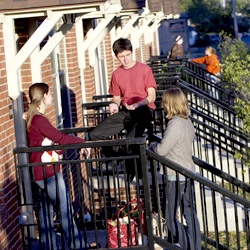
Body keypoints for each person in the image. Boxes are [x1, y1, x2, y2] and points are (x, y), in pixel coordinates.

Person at [26, 82, 90, 250]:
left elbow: (53, 142)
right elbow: (59, 138)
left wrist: (60, 147)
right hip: (48, 173)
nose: (51, 97)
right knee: (65, 211)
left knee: (46, 213)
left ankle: (50, 247)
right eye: (49, 94)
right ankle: (77, 246)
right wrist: (82, 141)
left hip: (41, 172)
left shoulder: (35, 119)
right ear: (44, 96)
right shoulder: (39, 119)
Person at [89, 38, 157, 180]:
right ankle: (125, 159)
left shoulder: (145, 69)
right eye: (121, 57)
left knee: (132, 139)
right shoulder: (116, 74)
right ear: (116, 57)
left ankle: (136, 174)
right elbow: (116, 97)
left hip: (143, 109)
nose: (125, 60)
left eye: (127, 55)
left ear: (132, 52)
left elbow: (151, 96)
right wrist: (114, 104)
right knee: (95, 134)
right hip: (126, 111)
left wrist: (138, 104)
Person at [149, 88, 201, 250]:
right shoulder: (186, 120)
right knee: (189, 214)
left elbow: (162, 150)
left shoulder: (175, 123)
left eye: (163, 101)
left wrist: (152, 145)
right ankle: (195, 246)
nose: (161, 105)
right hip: (187, 172)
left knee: (170, 216)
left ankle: (186, 246)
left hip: (175, 175)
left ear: (170, 103)